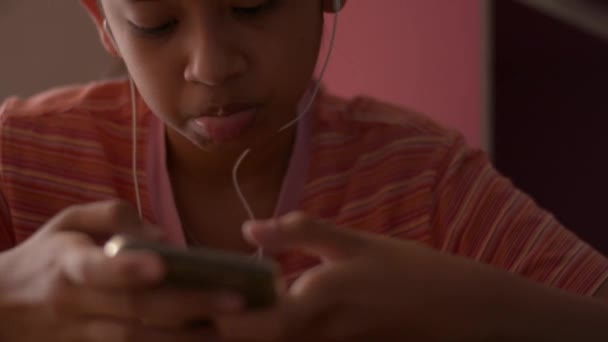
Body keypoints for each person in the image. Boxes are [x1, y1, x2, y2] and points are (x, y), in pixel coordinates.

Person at [0, 0, 606, 341]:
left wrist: (461, 308)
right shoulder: (17, 159)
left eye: (254, 4)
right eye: (157, 24)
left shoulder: (422, 180)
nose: (211, 67)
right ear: (101, 19)